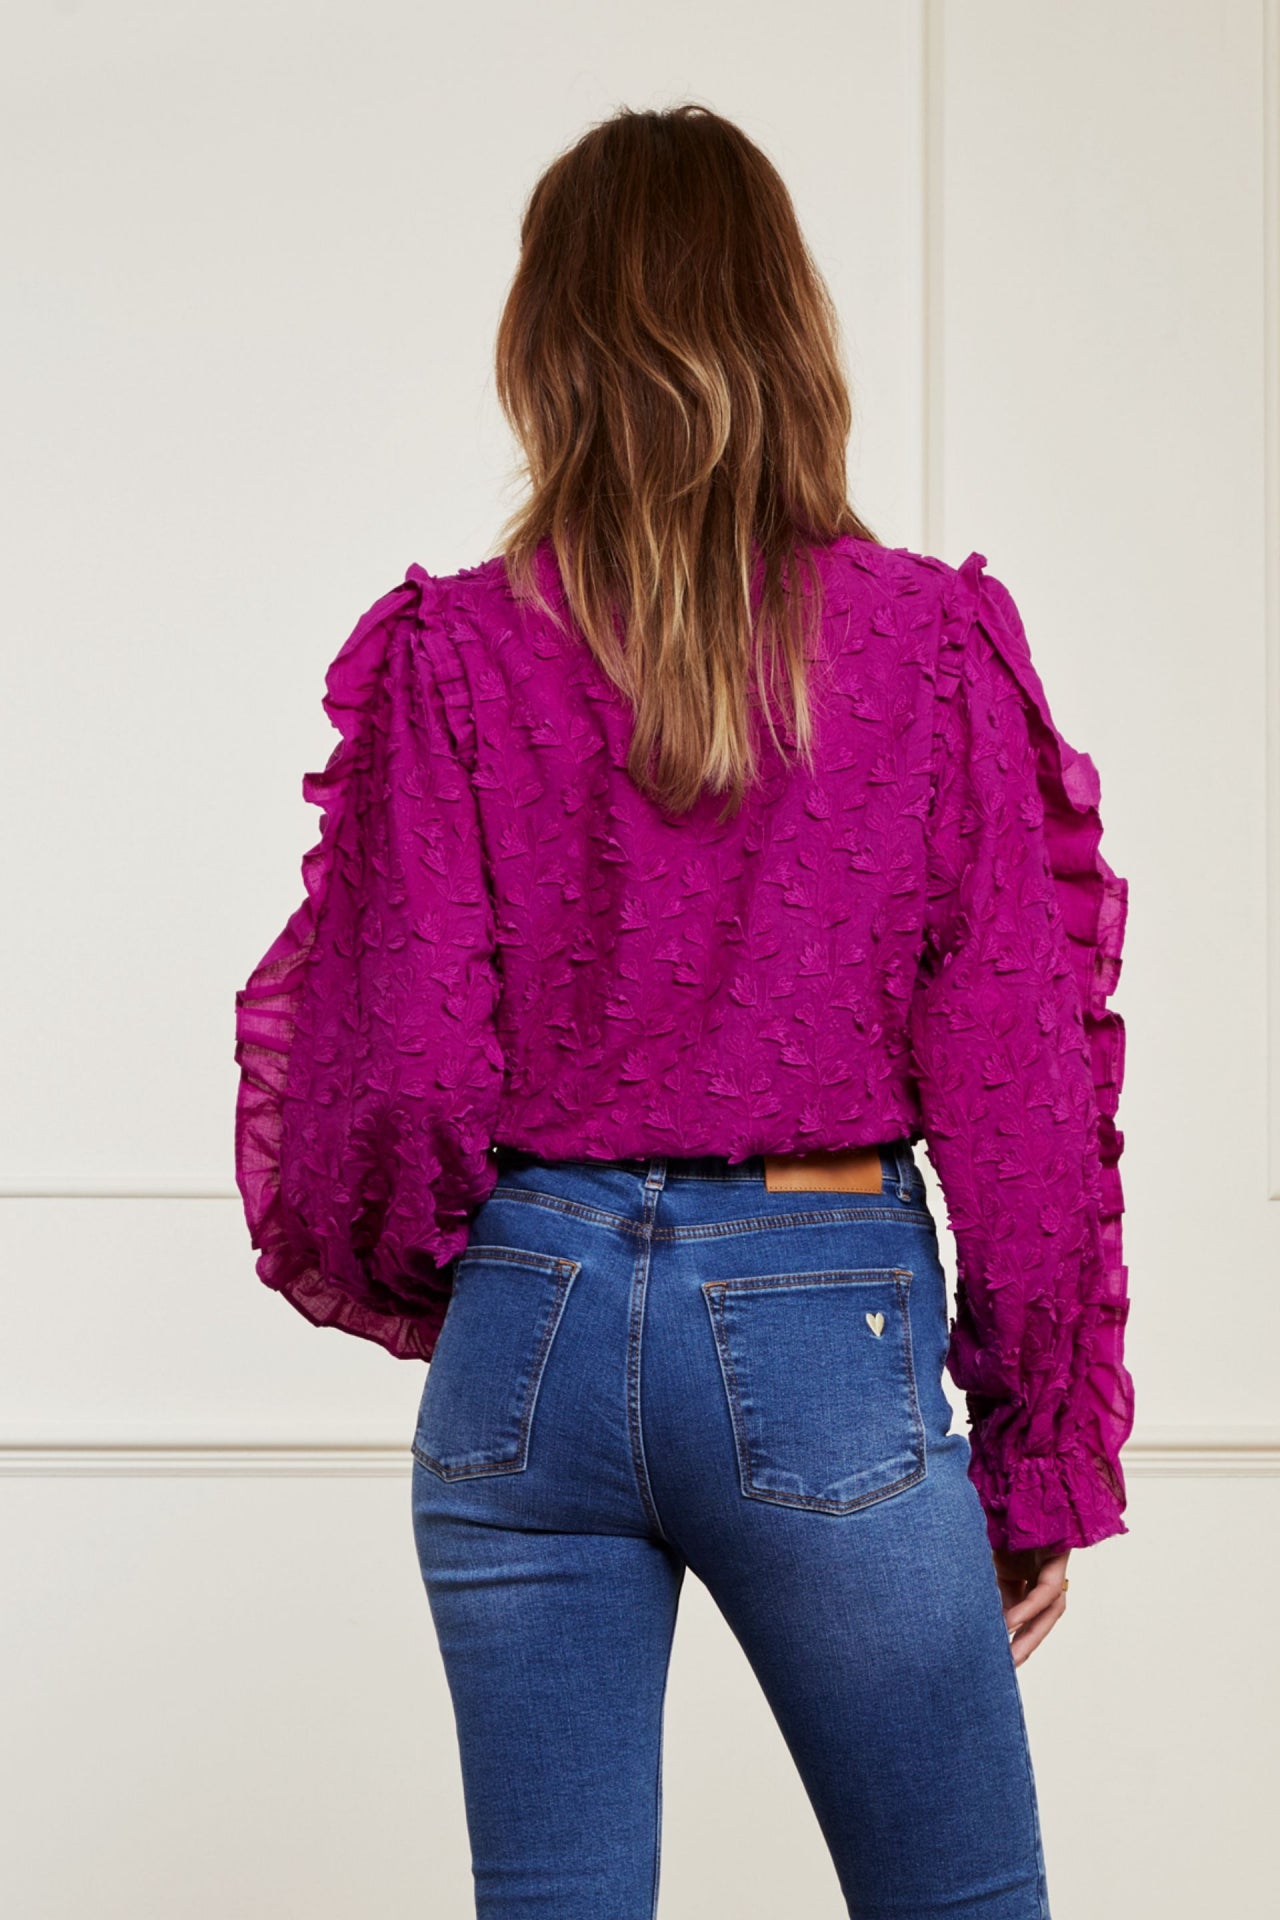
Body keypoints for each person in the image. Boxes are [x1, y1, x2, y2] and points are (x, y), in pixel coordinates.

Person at [233, 102, 1132, 1920]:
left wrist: (483, 1281)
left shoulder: (450, 653)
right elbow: (1022, 1090)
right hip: (822, 1324)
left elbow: (398, 1069)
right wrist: (1040, 1458)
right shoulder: (927, 649)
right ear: (793, 335)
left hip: (532, 1317)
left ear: (542, 352)